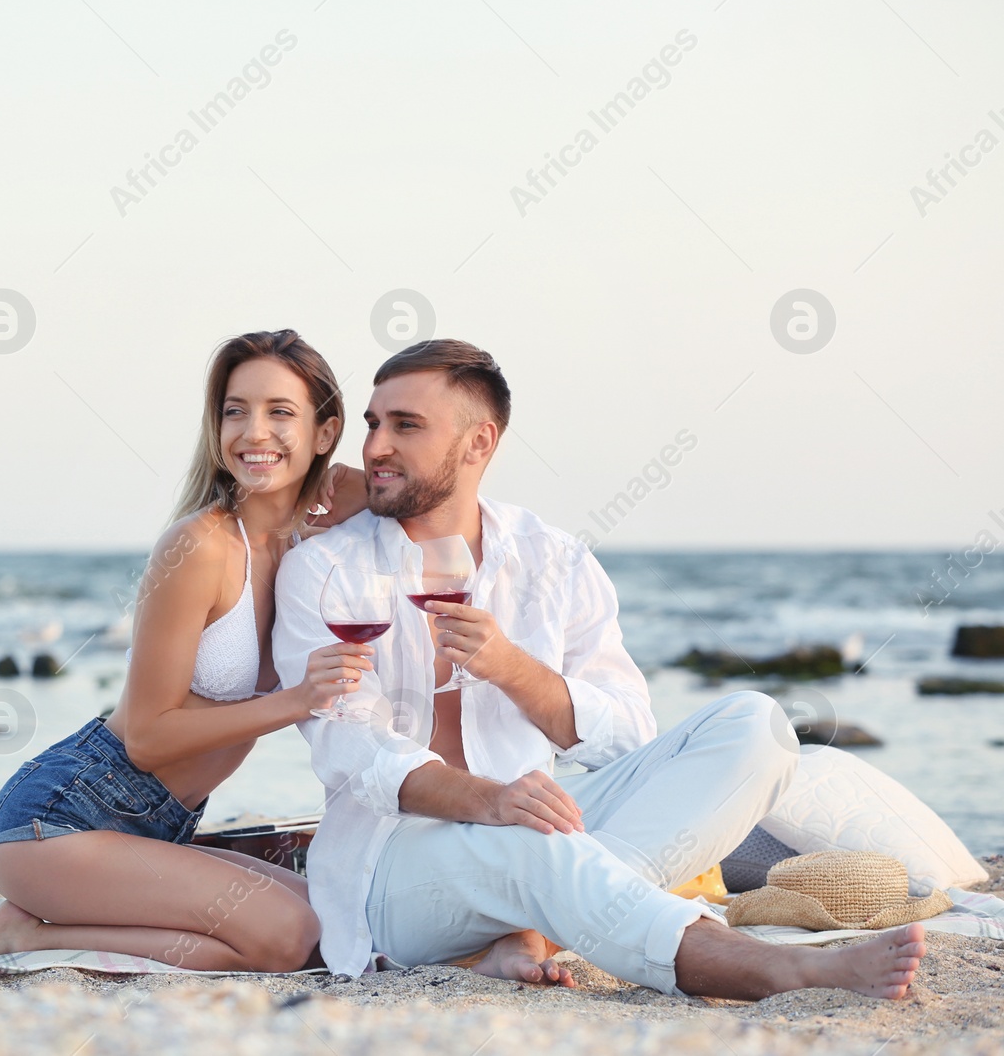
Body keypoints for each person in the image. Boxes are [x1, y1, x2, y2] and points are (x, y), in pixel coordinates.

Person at [271, 338, 927, 999]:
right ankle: (782, 970)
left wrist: (512, 668)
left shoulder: (551, 559)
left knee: (756, 725)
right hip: (394, 867)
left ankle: (533, 931)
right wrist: (495, 802)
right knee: (537, 841)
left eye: (405, 425)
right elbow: (355, 751)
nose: (376, 446)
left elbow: (631, 738)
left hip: (530, 817)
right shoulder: (325, 572)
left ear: (479, 443)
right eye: (373, 423)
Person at [0, 329, 371, 971]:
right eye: (235, 411)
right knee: (285, 940)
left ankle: (57, 920)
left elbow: (416, 494)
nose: (254, 432)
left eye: (280, 412)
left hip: (158, 828)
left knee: (329, 928)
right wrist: (297, 701)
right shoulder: (199, 546)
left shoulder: (309, 529)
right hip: (62, 820)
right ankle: (23, 936)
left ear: (324, 431)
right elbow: (146, 738)